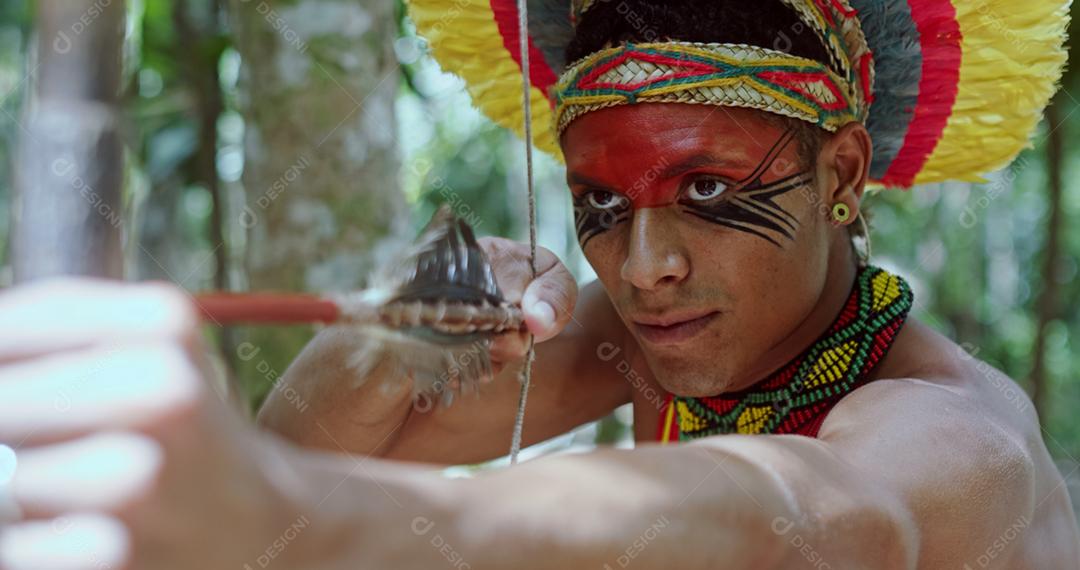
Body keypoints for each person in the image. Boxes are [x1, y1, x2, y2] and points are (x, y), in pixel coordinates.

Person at [1, 0, 1077, 568]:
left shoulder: (952, 436)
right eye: (600, 205)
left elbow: (806, 521)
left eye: (706, 186)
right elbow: (304, 460)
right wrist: (379, 344)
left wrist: (290, 515)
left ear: (839, 173)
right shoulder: (645, 329)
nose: (644, 265)